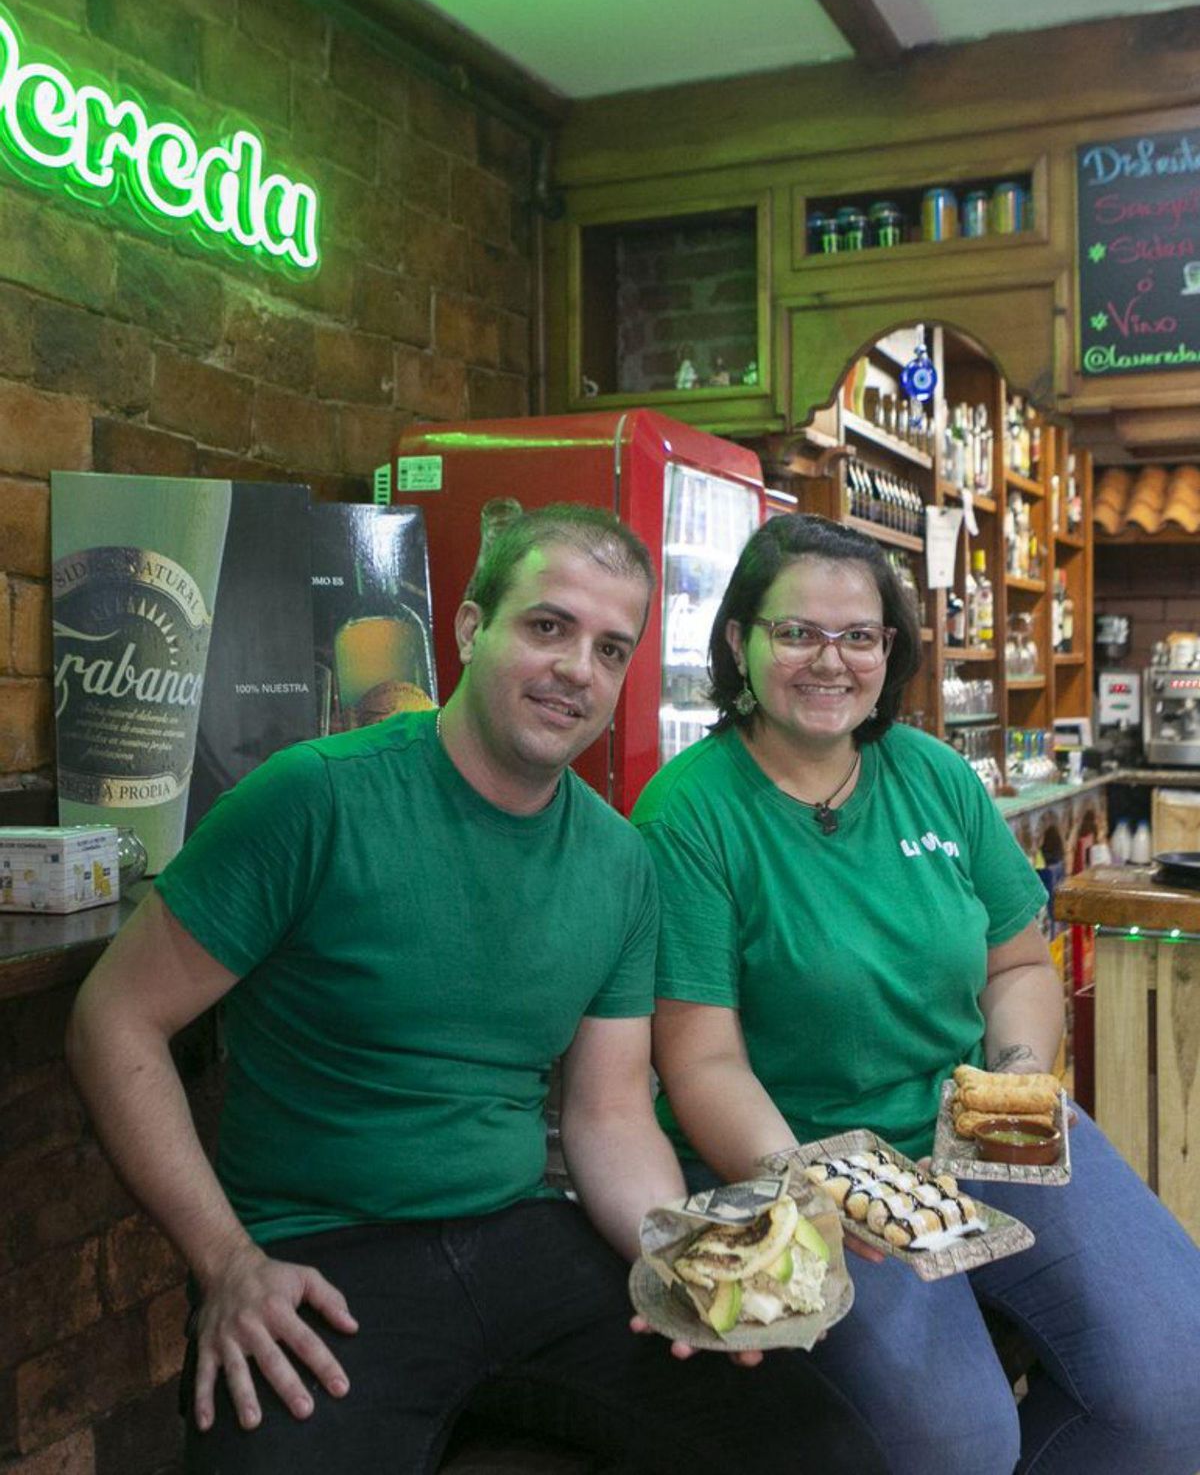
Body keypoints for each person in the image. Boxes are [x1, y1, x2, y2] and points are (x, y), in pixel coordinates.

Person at [66, 503, 885, 1475]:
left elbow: (611, 1112)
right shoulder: (313, 798)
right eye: (548, 626)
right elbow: (112, 1017)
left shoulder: (619, 859)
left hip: (528, 1235)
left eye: (610, 647)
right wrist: (226, 1261)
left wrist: (680, 1257)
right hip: (325, 1251)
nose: (578, 667)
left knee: (815, 1441)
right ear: (467, 628)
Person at [632, 511, 1200, 1475]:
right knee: (957, 1445)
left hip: (973, 1118)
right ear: (739, 640)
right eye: (797, 631)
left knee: (1179, 1382)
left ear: (889, 649)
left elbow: (1018, 964)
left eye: (859, 635)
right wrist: (810, 1193)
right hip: (805, 1155)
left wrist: (1016, 1085)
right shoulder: (688, 811)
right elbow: (702, 1061)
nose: (831, 659)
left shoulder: (934, 775)